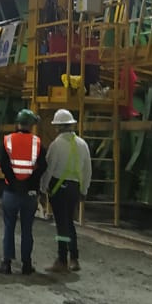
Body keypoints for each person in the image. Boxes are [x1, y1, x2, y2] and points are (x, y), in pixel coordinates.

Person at [0, 108, 47, 276]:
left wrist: (15, 183)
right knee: (27, 229)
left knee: (9, 227)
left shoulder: (7, 140)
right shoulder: (37, 142)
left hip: (11, 192)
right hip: (29, 194)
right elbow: (42, 166)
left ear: (18, 123)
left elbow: (4, 164)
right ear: (31, 125)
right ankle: (26, 265)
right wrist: (30, 184)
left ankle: (7, 264)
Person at [39, 109, 92, 273]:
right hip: (75, 188)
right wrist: (84, 190)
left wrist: (42, 188)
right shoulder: (82, 144)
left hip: (58, 188)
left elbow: (49, 169)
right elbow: (87, 170)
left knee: (61, 225)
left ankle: (62, 260)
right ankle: (74, 259)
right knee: (69, 222)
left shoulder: (56, 144)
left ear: (59, 127)